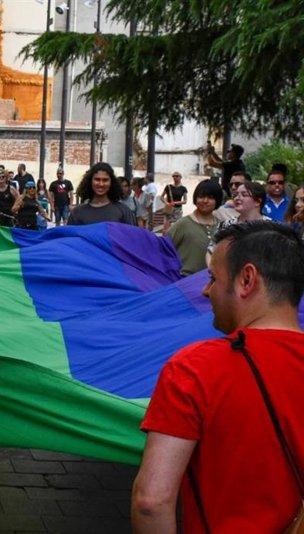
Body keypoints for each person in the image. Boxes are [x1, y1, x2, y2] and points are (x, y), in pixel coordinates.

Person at [132, 221, 304, 534]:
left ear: (247, 280)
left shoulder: (193, 368)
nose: (205, 290)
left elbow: (151, 501)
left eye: (213, 277)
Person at [167, 180, 223, 275]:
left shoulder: (222, 226)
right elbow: (165, 250)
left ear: (217, 200)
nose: (205, 201)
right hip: (185, 282)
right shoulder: (182, 224)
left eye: (210, 197)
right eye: (201, 197)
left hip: (211, 284)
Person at [67, 163, 136, 226]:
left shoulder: (123, 211)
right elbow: (69, 238)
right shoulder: (77, 213)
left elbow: (132, 236)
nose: (101, 184)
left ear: (111, 183)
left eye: (105, 180)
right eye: (97, 179)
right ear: (90, 181)